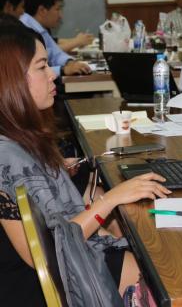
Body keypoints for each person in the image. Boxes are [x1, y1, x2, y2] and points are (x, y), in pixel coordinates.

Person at [0, 24, 171, 305]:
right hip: (38, 286)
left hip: (54, 267)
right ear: (12, 79)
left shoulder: (16, 134)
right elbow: (42, 254)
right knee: (160, 276)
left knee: (141, 247)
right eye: (42, 67)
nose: (53, 74)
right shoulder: (6, 157)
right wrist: (111, 200)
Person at [20, 0, 91, 76]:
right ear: (42, 10)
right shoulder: (23, 29)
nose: (61, 16)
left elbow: (56, 54)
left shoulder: (41, 29)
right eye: (58, 9)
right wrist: (63, 70)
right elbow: (30, 71)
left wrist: (70, 63)